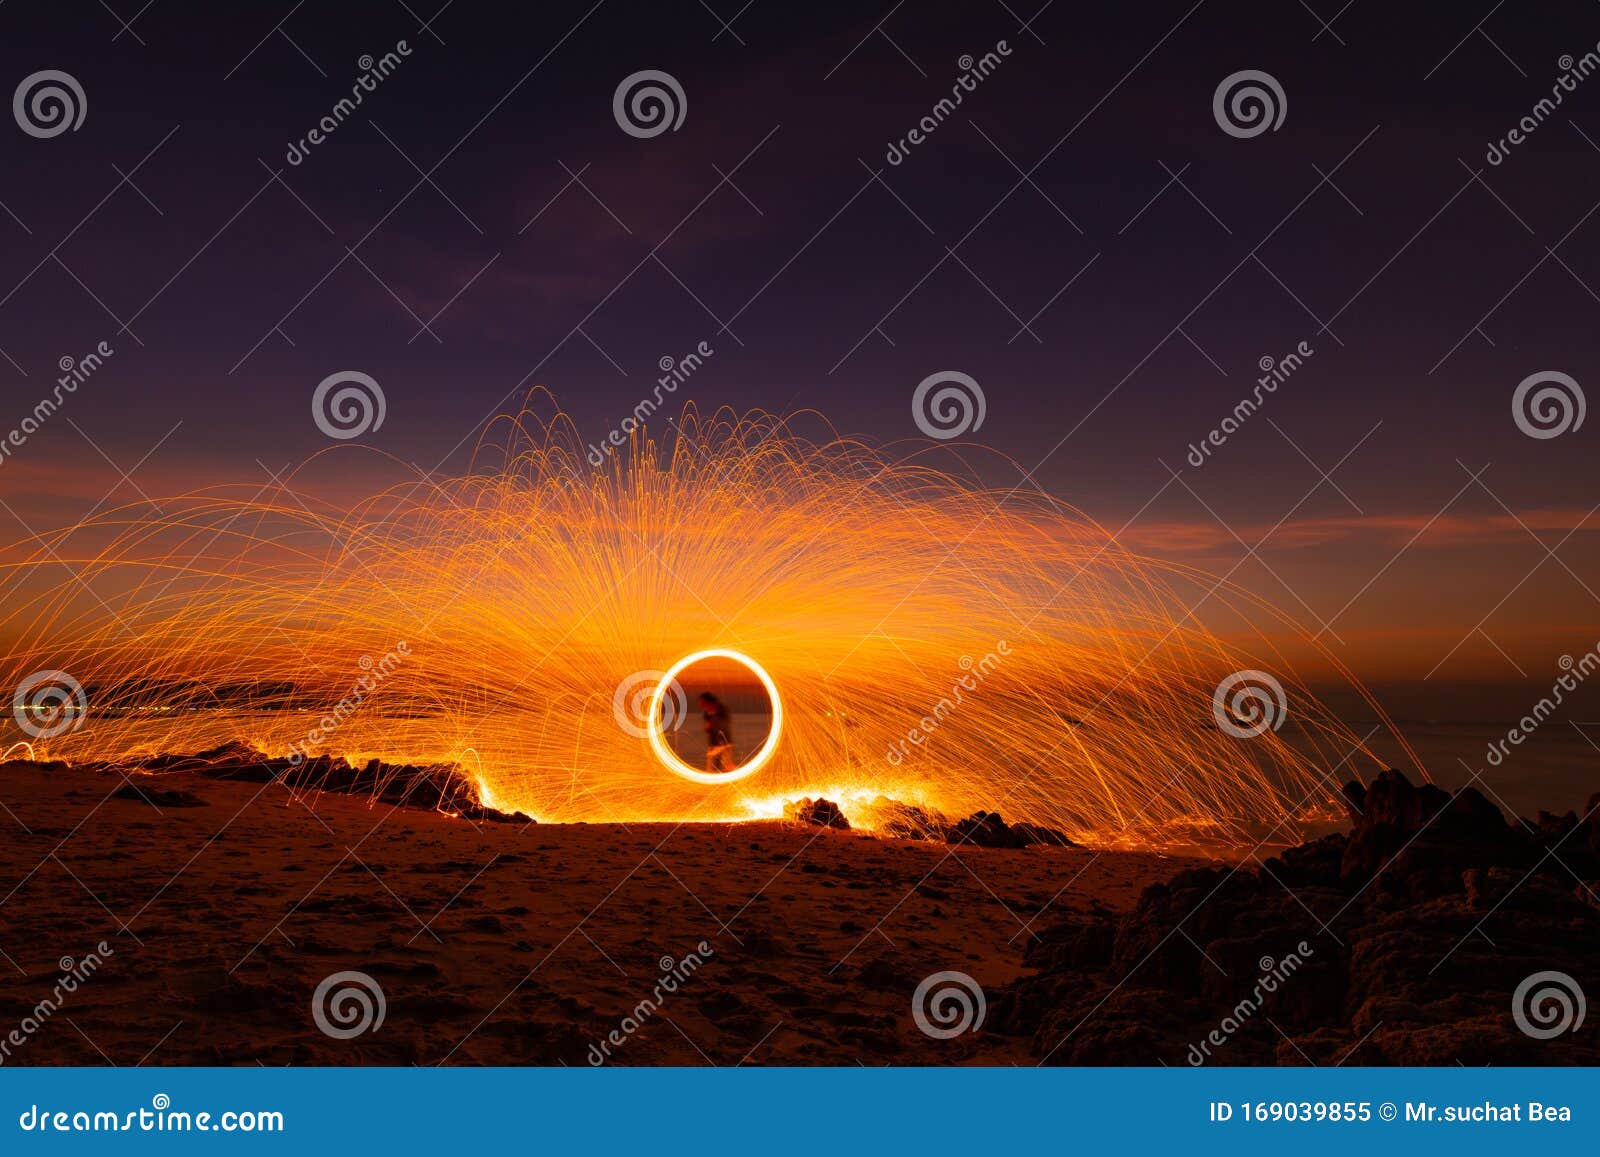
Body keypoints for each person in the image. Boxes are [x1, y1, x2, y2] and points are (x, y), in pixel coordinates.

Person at [698, 691, 736, 772]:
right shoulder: (706, 713)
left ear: (708, 701)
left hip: (725, 744)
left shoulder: (722, 709)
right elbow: (709, 729)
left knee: (726, 769)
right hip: (713, 745)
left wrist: (714, 722)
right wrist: (708, 727)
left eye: (702, 702)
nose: (700, 704)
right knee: (711, 770)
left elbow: (725, 724)